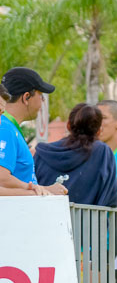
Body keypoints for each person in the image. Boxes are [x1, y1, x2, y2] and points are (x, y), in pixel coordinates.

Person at [34, 103, 117, 207]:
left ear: (68, 125)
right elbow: (112, 198)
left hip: (48, 220)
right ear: (99, 130)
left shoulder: (42, 152)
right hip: (90, 222)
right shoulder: (103, 152)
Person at [0, 68, 66, 196]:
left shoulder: (11, 128)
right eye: (41, 96)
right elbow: (2, 179)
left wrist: (41, 189)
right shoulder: (5, 128)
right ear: (26, 97)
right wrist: (40, 191)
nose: (42, 102)